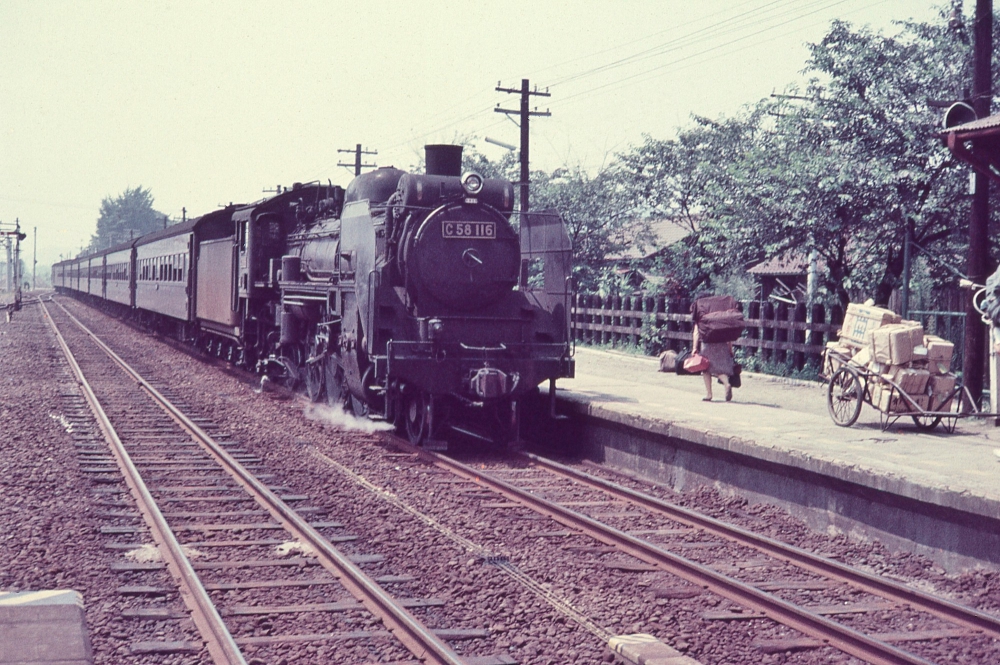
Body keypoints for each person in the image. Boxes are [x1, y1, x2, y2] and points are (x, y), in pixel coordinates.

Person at [691, 296, 738, 402]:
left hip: (707, 343)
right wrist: (730, 348)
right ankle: (726, 384)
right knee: (719, 367)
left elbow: (696, 332)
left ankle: (709, 394)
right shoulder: (719, 311)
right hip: (721, 342)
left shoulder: (701, 312)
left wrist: (694, 348)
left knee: (706, 367)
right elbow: (727, 331)